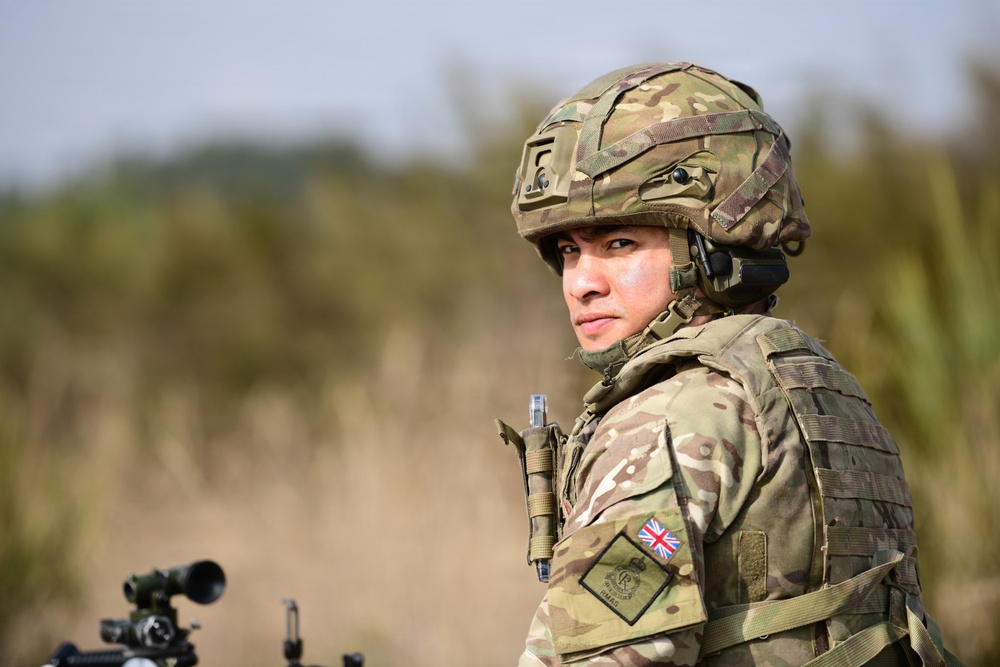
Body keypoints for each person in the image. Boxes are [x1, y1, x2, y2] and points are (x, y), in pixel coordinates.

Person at [496, 63, 962, 667]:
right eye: (568, 251)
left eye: (618, 245)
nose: (581, 283)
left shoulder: (668, 416)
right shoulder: (826, 387)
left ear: (711, 245)